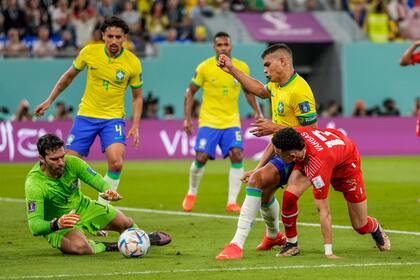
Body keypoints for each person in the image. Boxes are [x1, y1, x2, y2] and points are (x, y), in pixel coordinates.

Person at [215, 43, 317, 260]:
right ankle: (273, 236)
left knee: (258, 183)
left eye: (268, 65)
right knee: (264, 190)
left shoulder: (299, 91)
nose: (265, 70)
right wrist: (231, 69)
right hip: (283, 154)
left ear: (284, 62)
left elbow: (312, 134)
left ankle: (236, 244)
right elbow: (260, 90)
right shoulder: (276, 86)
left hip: (302, 159)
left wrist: (275, 128)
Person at [34, 16, 143, 205]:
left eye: (119, 37)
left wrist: (135, 125)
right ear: (103, 36)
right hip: (86, 116)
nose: (114, 41)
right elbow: (68, 77)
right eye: (110, 36)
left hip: (113, 119)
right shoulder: (89, 52)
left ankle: (102, 209)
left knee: (116, 162)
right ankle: (73, 205)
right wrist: (49, 100)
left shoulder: (133, 62)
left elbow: (137, 97)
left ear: (125, 38)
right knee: (68, 163)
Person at [25, 134, 171, 255]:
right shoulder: (34, 184)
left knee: (126, 223)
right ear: (42, 159)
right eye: (54, 159)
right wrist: (57, 223)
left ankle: (143, 239)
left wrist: (108, 190)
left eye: (62, 156)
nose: (61, 162)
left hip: (83, 208)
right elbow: (34, 226)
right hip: (60, 222)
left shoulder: (72, 163)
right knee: (81, 248)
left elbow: (97, 180)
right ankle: (106, 246)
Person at [270, 127, 391, 257]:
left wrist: (329, 252)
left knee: (360, 226)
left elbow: (324, 211)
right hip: (323, 153)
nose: (276, 156)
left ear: (292, 156)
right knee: (289, 196)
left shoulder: (317, 169)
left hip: (346, 165)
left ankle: (374, 226)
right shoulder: (297, 135)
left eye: (278, 154)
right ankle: (292, 245)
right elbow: (285, 130)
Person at [182, 31, 263, 213]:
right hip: (209, 121)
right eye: (219, 45)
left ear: (231, 46)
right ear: (214, 47)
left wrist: (257, 112)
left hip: (231, 121)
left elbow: (248, 92)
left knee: (237, 155)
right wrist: (187, 118)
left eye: (226, 44)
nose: (223, 48)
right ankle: (191, 192)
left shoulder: (241, 67)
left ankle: (232, 201)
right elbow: (190, 92)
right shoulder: (205, 67)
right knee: (201, 158)